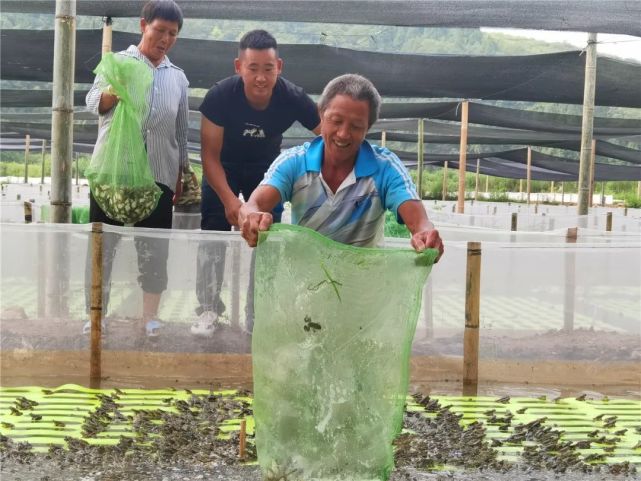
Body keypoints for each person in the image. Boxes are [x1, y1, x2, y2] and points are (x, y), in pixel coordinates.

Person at [193, 29, 321, 337]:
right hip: (223, 166)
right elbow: (209, 156)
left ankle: (258, 313)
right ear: (239, 67)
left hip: (267, 171)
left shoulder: (293, 97)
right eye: (253, 69)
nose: (261, 77)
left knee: (267, 236)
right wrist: (230, 202)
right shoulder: (220, 96)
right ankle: (208, 309)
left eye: (268, 68)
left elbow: (328, 134)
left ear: (280, 66)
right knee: (213, 230)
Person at [238, 73, 444, 260]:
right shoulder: (294, 162)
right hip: (305, 286)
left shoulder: (385, 168)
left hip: (363, 288)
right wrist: (251, 218)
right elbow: (252, 205)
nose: (343, 134)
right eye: (336, 121)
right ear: (321, 114)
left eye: (356, 126)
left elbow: (419, 222)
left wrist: (426, 236)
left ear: (368, 128)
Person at [83, 0, 189, 337]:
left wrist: (183, 170)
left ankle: (150, 318)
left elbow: (181, 130)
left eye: (172, 34)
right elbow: (91, 101)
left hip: (159, 171)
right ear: (144, 26)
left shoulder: (178, 78)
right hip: (114, 170)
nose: (165, 38)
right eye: (160, 30)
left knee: (155, 246)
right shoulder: (117, 63)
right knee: (102, 245)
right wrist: (112, 93)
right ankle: (96, 315)